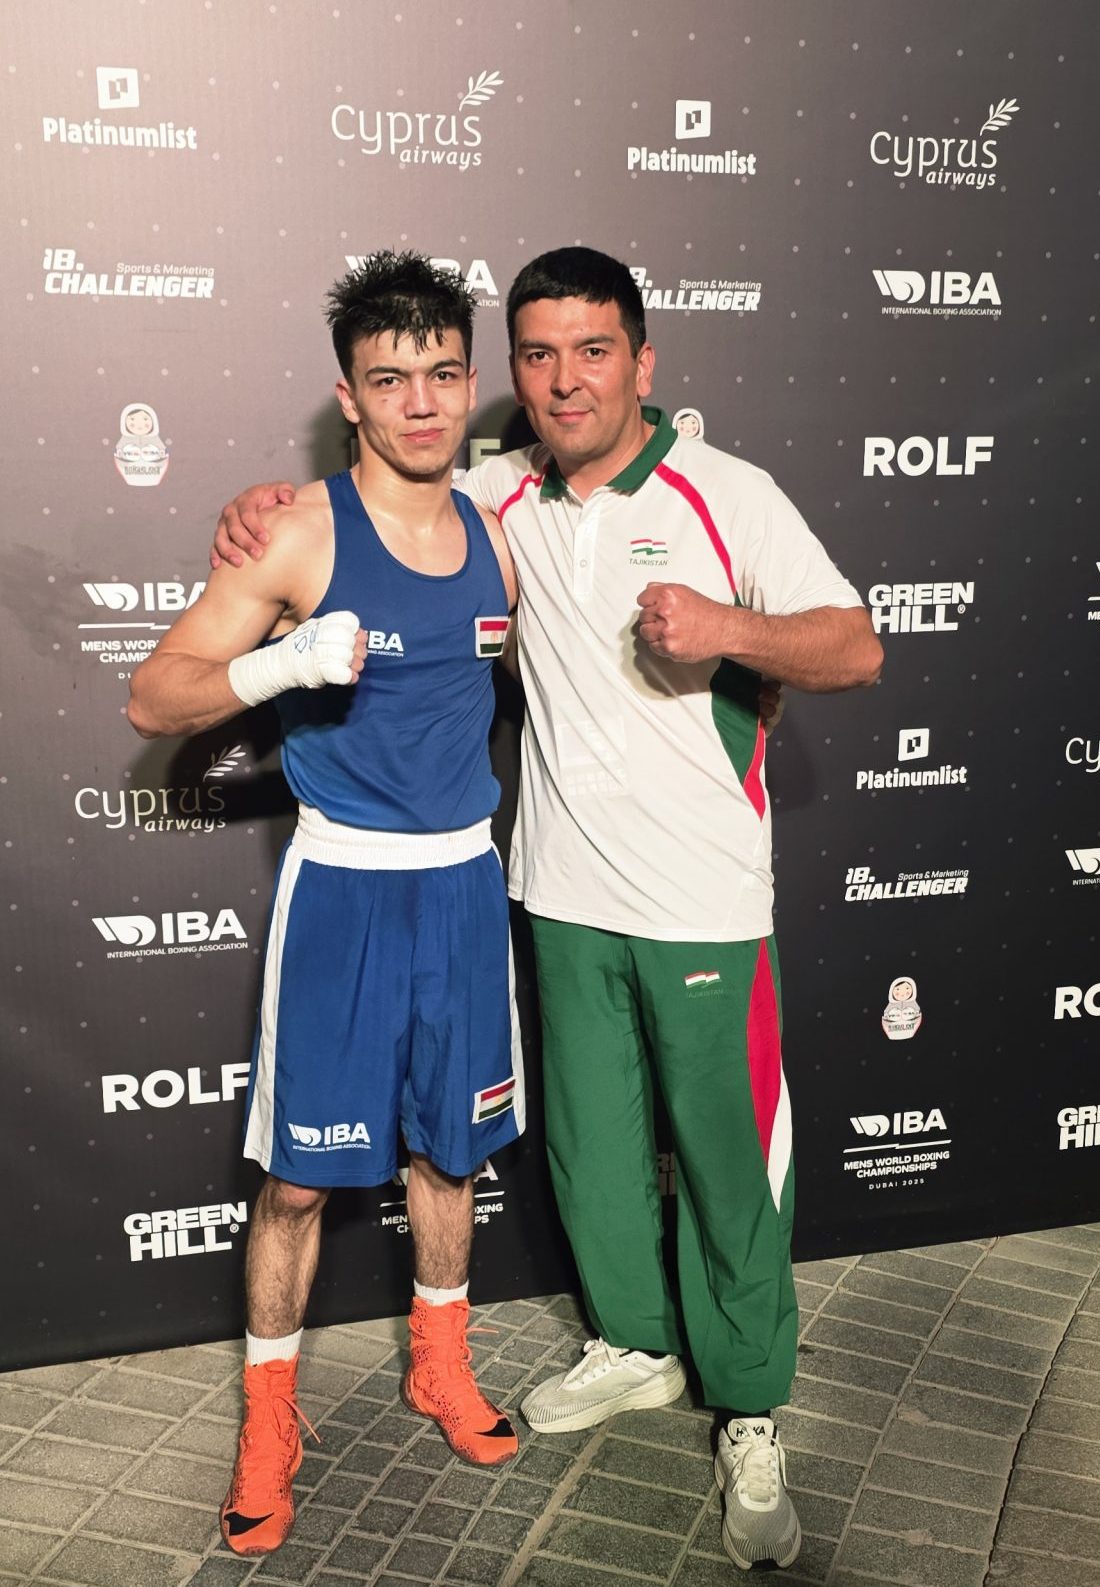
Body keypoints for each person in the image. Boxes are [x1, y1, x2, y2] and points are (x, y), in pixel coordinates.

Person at [213, 245, 883, 1572]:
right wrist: (259, 508)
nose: (565, 379)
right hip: (554, 892)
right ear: (511, 373)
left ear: (643, 360)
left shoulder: (727, 491)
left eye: (592, 350)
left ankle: (751, 1405)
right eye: (537, 354)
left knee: (729, 1165)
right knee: (588, 1150)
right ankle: (634, 1345)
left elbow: (855, 645)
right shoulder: (492, 495)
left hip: (702, 897)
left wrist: (730, 630)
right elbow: (369, 505)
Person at [130, 252, 522, 1558]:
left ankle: (440, 1365)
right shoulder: (298, 532)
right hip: (344, 889)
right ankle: (268, 1421)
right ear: (348, 398)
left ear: (471, 380)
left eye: (443, 374)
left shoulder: (500, 529)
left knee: (450, 1158)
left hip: (463, 883)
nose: (422, 403)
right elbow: (156, 695)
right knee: (298, 1186)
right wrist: (282, 660)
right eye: (389, 380)